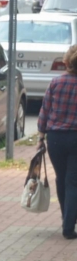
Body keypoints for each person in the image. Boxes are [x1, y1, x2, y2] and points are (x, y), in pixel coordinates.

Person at [38, 45, 77, 239]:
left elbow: (45, 111)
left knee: (61, 179)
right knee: (73, 181)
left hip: (55, 138)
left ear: (67, 63)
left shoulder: (55, 83)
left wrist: (40, 137)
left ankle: (66, 217)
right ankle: (69, 225)